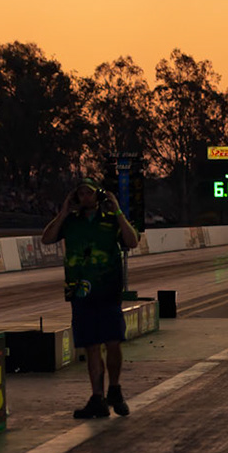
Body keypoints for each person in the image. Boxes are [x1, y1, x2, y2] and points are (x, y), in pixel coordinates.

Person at [42, 178, 140, 419]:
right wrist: (63, 212)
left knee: (113, 342)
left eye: (89, 192)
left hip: (108, 290)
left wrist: (117, 210)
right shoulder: (71, 223)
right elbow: (47, 238)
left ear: (98, 196)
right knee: (92, 346)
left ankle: (114, 389)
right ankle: (97, 397)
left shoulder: (111, 221)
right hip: (80, 292)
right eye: (81, 193)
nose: (86, 197)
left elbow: (132, 241)